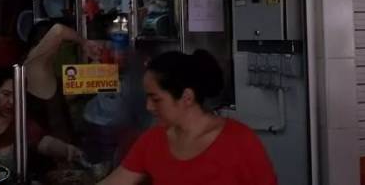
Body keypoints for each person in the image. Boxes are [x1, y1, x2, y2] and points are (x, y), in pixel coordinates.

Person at [98, 50, 277, 185]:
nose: (149, 107)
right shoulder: (152, 141)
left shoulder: (240, 141)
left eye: (156, 99)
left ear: (187, 97)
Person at [0, 68, 84, 174]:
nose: (12, 101)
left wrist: (67, 150)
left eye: (17, 95)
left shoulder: (23, 123)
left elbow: (45, 143)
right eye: (6, 94)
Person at [24, 22, 100, 143]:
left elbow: (60, 96)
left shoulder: (43, 68)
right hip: (53, 148)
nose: (58, 50)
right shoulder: (34, 64)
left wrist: (95, 71)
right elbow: (58, 30)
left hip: (64, 144)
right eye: (58, 45)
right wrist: (84, 42)